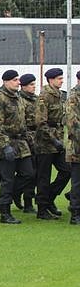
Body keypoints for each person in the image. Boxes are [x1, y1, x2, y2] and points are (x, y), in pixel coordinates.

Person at [0, 69, 34, 224]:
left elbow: (22, 122)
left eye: (18, 80)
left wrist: (29, 140)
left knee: (29, 174)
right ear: (6, 82)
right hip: (6, 143)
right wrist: (4, 145)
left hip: (20, 143)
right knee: (7, 179)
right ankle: (5, 213)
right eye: (15, 80)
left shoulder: (18, 97)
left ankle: (3, 200)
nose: (18, 82)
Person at [34, 68, 70, 219]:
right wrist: (53, 139)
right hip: (45, 143)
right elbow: (40, 122)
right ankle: (42, 209)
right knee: (44, 176)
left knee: (67, 170)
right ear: (51, 80)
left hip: (58, 141)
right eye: (58, 78)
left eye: (62, 78)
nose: (61, 81)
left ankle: (49, 198)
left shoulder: (60, 95)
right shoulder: (44, 97)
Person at [16, 73, 39, 214]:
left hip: (37, 139)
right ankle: (18, 194)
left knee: (35, 173)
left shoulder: (36, 99)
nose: (33, 87)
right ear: (23, 86)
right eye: (31, 85)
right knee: (27, 172)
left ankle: (28, 200)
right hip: (24, 140)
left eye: (34, 84)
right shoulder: (19, 100)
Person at [65, 71, 80, 224]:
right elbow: (73, 124)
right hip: (77, 147)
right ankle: (75, 212)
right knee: (77, 182)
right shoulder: (74, 98)